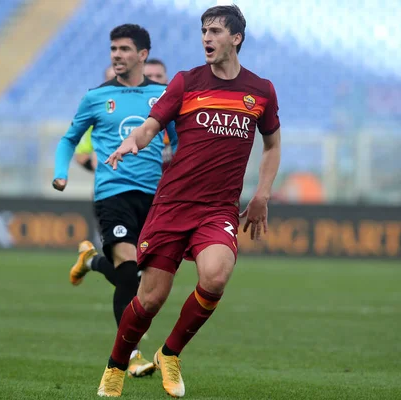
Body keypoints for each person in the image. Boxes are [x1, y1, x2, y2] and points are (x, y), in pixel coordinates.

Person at [97, 5, 281, 397]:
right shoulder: (186, 81)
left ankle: (171, 353)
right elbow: (152, 124)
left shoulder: (260, 90)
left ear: (236, 38)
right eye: (203, 31)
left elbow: (272, 144)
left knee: (215, 275)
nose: (206, 38)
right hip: (173, 205)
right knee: (150, 299)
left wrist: (262, 193)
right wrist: (134, 140)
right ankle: (115, 365)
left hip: (218, 210)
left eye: (215, 31)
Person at [52, 24, 177, 379]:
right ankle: (130, 355)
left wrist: (177, 168)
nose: (117, 55)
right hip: (112, 192)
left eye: (124, 49)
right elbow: (69, 139)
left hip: (155, 197)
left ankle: (91, 260)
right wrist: (60, 172)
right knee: (127, 269)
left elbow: (178, 140)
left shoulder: (163, 96)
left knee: (138, 277)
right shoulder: (96, 97)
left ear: (142, 55)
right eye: (113, 49)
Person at [74, 66, 117, 172]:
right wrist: (101, 170)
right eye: (110, 78)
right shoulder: (96, 113)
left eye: (118, 77)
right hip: (107, 183)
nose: (115, 82)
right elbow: (81, 156)